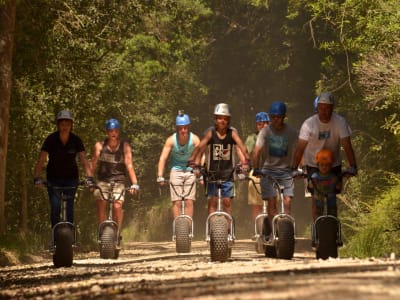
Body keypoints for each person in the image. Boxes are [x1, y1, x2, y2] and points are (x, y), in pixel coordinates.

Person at [33, 110, 93, 229]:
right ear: (58, 125)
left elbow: (84, 160)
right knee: (55, 207)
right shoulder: (51, 139)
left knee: (70, 207)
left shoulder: (76, 140)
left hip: (71, 178)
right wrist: (37, 178)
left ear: (71, 125)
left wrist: (90, 178)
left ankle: (70, 238)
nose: (65, 127)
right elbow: (41, 159)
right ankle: (54, 239)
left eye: (67, 124)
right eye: (62, 124)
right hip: (53, 179)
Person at [188, 103, 251, 216]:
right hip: (212, 173)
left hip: (228, 173)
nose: (222, 121)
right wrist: (193, 161)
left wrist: (246, 162)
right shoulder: (210, 133)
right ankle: (211, 230)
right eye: (220, 118)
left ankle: (228, 231)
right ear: (215, 119)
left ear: (229, 120)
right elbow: (199, 148)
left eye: (225, 119)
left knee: (227, 202)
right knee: (212, 201)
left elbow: (242, 147)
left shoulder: (232, 134)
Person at [291, 91, 358, 197]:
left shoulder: (340, 122)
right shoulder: (309, 124)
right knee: (315, 195)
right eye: (321, 108)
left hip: (333, 163)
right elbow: (300, 148)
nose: (324, 111)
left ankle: (332, 212)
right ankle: (316, 213)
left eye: (327, 108)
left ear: (332, 108)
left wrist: (353, 166)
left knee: (334, 191)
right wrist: (294, 168)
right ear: (317, 108)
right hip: (313, 163)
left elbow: (347, 146)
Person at [252, 101, 298, 239]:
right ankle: (274, 231)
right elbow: (257, 151)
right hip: (268, 171)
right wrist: (256, 168)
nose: (275, 120)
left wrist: (299, 167)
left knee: (287, 201)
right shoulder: (265, 131)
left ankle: (287, 232)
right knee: (272, 202)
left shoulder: (291, 131)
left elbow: (299, 148)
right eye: (272, 117)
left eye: (278, 117)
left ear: (284, 117)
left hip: (286, 171)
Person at [90, 118, 139, 234]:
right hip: (103, 181)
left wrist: (135, 183)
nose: (113, 133)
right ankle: (102, 232)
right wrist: (90, 181)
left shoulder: (124, 146)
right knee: (101, 204)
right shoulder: (100, 146)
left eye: (116, 131)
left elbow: (129, 165)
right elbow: (92, 164)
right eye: (111, 131)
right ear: (107, 132)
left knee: (117, 206)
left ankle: (116, 234)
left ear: (119, 132)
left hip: (119, 181)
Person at [157, 111, 201, 222]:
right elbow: (163, 158)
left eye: (185, 128)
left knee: (189, 200)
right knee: (176, 201)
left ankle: (188, 228)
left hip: (190, 169)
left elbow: (201, 155)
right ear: (177, 128)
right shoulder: (171, 140)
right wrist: (160, 175)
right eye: (181, 128)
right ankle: (178, 228)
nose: (183, 130)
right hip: (176, 170)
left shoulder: (195, 139)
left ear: (189, 127)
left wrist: (200, 172)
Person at [244, 112, 270, 223]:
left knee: (273, 202)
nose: (263, 126)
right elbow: (246, 154)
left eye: (266, 123)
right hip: (256, 172)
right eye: (260, 124)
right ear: (257, 125)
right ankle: (258, 229)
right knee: (256, 203)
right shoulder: (252, 138)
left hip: (271, 172)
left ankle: (273, 228)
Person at [308, 149, 341, 221]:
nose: (324, 167)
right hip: (319, 201)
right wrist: (312, 183)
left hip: (331, 201)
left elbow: (338, 187)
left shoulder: (333, 176)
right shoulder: (315, 176)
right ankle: (318, 229)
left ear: (331, 166)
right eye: (322, 165)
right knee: (318, 217)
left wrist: (337, 183)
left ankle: (333, 229)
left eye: (327, 165)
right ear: (318, 165)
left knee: (333, 217)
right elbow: (310, 186)